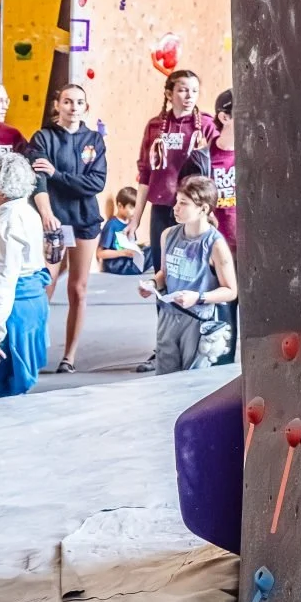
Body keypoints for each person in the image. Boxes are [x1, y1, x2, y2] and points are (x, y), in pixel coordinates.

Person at [28, 81, 107, 372]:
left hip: (85, 221)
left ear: (85, 107)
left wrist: (58, 174)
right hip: (55, 222)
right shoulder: (43, 138)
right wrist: (47, 213)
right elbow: (39, 179)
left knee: (78, 289)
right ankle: (35, 351)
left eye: (79, 102)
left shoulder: (95, 141)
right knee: (44, 286)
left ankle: (69, 357)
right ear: (57, 105)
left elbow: (96, 183)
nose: (73, 107)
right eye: (68, 102)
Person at [139, 176, 237, 374]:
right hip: (168, 316)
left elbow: (231, 291)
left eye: (184, 203)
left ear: (203, 209)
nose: (176, 208)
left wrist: (199, 298)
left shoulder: (215, 245)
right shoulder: (169, 234)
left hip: (197, 319)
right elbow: (165, 274)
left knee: (193, 381)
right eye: (177, 201)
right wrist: (152, 283)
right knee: (164, 378)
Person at [0, 148, 51, 399]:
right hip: (25, 308)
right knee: (7, 389)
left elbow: (1, 285)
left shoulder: (5, 225)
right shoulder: (25, 211)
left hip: (7, 316)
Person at [133, 70, 218, 269]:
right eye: (183, 90)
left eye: (194, 91)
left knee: (190, 268)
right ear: (169, 94)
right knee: (161, 266)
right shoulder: (155, 126)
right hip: (162, 208)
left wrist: (212, 211)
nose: (189, 96)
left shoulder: (206, 125)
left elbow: (218, 168)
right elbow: (145, 173)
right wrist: (135, 219)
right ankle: (162, 302)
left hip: (194, 208)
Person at [209, 89, 237, 258]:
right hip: (217, 248)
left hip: (253, 250)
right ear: (225, 117)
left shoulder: (256, 155)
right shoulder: (203, 157)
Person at [97, 186, 145, 276]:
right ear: (120, 206)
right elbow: (100, 253)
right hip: (116, 265)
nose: (134, 212)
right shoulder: (112, 225)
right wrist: (123, 253)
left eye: (136, 208)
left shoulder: (130, 224)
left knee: (151, 248)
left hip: (128, 260)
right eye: (131, 207)